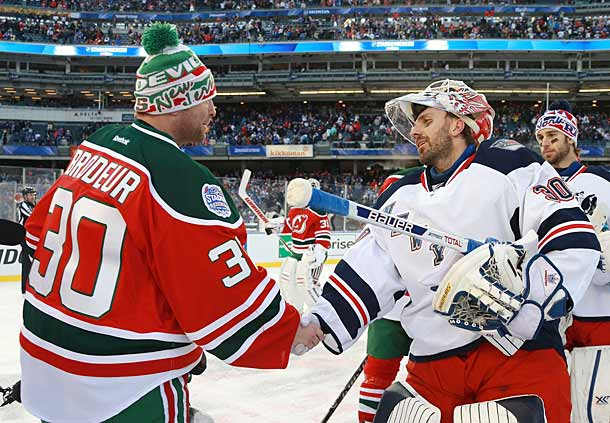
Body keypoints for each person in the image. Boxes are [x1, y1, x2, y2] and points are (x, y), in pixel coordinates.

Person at [20, 23, 322, 423]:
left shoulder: (97, 143)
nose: (213, 110)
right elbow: (221, 294)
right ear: (177, 101)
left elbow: (37, 234)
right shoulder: (180, 179)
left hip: (44, 365)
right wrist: (289, 333)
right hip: (120, 384)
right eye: (206, 99)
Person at [296, 79, 600, 423]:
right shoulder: (400, 195)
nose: (415, 130)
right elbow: (369, 267)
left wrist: (537, 299)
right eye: (415, 123)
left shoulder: (511, 165)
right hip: (432, 365)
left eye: (426, 120)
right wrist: (319, 321)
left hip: (515, 355)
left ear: (458, 123)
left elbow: (572, 236)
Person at [535, 100, 610, 422]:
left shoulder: (601, 182)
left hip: (597, 316)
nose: (545, 144)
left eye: (553, 136)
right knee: (563, 409)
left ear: (571, 139)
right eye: (540, 138)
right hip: (553, 319)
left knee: (596, 410)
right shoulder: (535, 186)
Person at [358, 167, 422, 423]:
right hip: (408, 309)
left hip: (401, 311)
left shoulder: (374, 222)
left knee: (381, 377)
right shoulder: (436, 214)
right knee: (424, 378)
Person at [265, 178, 331, 313]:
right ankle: (296, 313)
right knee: (287, 281)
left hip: (310, 253)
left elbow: (323, 233)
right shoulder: (294, 210)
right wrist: (275, 226)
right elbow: (289, 227)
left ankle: (320, 315)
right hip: (295, 252)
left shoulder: (318, 209)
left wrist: (320, 250)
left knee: (307, 284)